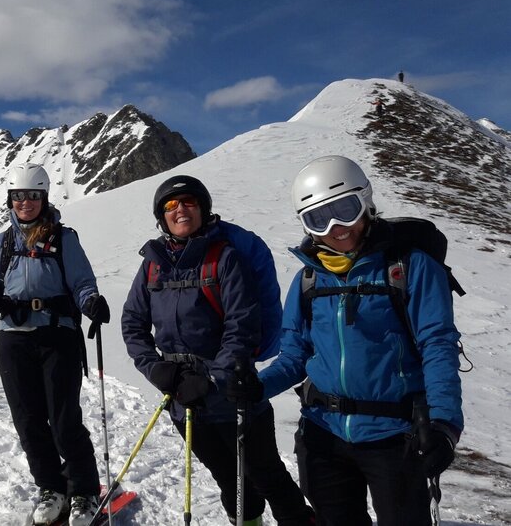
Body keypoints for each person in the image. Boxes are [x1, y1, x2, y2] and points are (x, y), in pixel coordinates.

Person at [234, 155, 463, 525]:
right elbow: (295, 357)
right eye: (318, 219)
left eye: (345, 209)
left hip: (396, 438)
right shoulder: (307, 280)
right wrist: (255, 387)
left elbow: (437, 344)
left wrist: (444, 425)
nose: (336, 228)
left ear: (366, 202)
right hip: (323, 436)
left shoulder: (411, 266)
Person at [122, 176, 314, 525]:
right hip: (182, 401)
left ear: (204, 208)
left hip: (234, 396)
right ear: (161, 216)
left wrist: (211, 379)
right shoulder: (152, 264)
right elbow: (132, 324)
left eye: (189, 202)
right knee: (228, 478)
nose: (180, 209)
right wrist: (157, 370)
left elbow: (242, 326)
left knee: (266, 476)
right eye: (170, 205)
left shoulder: (224, 258)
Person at [0, 163, 109, 526]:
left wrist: (91, 301)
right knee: (29, 421)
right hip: (12, 340)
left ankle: (84, 491)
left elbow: (81, 283)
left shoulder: (64, 239)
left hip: (56, 335)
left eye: (32, 196)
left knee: (63, 420)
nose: (25, 202)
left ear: (44, 198)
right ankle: (50, 487)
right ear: (10, 200)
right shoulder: (1, 243)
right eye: (18, 196)